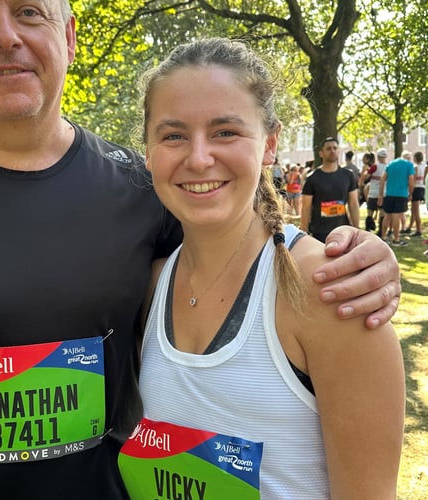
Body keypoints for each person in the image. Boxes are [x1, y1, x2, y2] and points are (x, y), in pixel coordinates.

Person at [0, 2, 402, 498]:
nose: (6, 36)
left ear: (68, 37)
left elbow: (244, 246)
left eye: (31, 13)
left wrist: (358, 254)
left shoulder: (144, 188)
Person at [118, 37, 404, 499]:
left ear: (270, 144)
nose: (198, 157)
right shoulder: (150, 288)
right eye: (173, 135)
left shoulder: (331, 292)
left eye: (225, 132)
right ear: (148, 153)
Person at [300, 137, 359, 242]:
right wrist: (303, 232)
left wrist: (357, 229)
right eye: (328, 149)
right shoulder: (312, 178)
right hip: (319, 232)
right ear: (321, 153)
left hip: (343, 230)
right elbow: (305, 208)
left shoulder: (348, 176)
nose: (332, 151)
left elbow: (353, 204)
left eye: (335, 148)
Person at [378, 151, 415, 247]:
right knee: (396, 216)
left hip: (389, 193)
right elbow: (411, 181)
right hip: (401, 194)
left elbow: (382, 179)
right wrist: (411, 193)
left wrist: (381, 195)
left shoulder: (391, 164)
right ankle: (396, 239)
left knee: (387, 216)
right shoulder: (409, 165)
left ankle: (383, 237)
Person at [405, 151, 426, 237]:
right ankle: (410, 227)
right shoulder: (425, 166)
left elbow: (413, 180)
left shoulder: (415, 167)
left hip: (416, 188)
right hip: (422, 188)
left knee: (416, 210)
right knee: (413, 210)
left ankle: (418, 229)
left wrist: (410, 192)